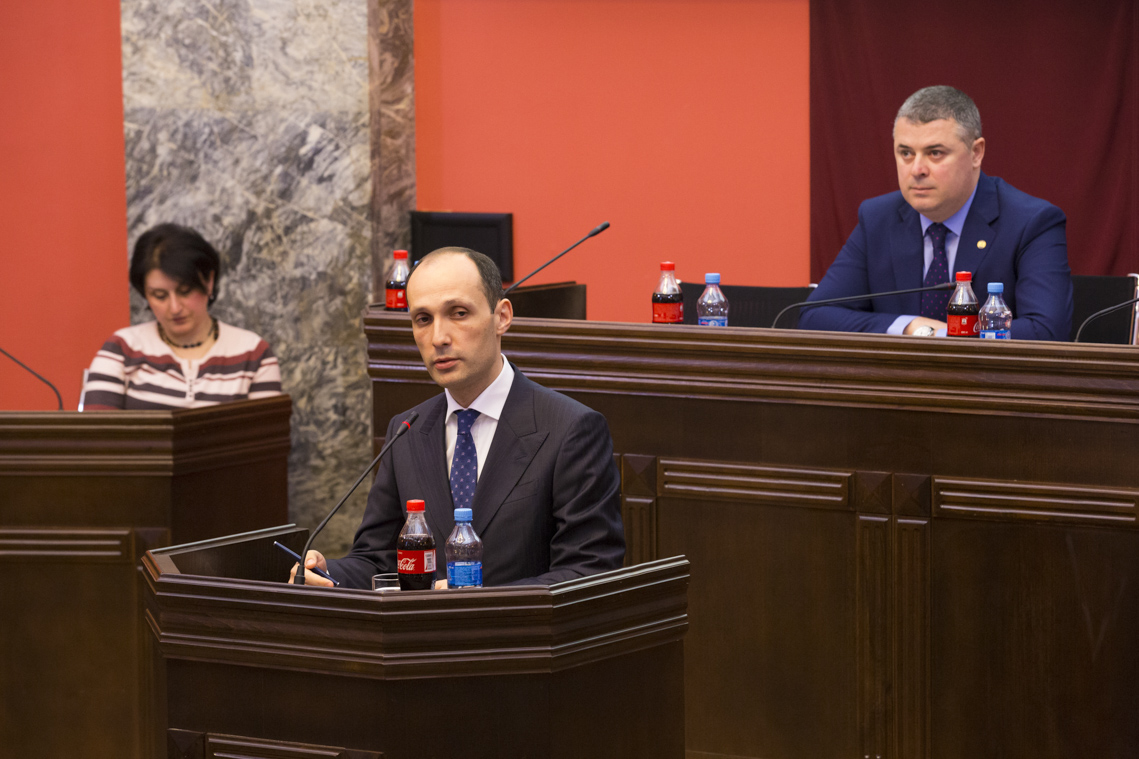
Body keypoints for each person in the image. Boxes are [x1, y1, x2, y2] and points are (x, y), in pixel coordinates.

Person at [291, 247, 625, 588]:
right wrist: (329, 576)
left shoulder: (570, 429)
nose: (438, 338)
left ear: (502, 317)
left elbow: (589, 571)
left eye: (459, 313)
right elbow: (380, 559)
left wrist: (476, 599)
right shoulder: (406, 431)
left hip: (515, 625)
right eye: (423, 319)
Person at [800, 86, 1073, 340]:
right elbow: (814, 316)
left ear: (976, 153)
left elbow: (1047, 331)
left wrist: (943, 337)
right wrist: (912, 326)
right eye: (906, 153)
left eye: (935, 153)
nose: (917, 169)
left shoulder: (1030, 223)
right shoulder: (878, 219)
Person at [82, 224, 282, 409]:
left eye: (185, 291)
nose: (175, 308)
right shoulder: (121, 350)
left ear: (209, 281)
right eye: (159, 296)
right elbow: (99, 433)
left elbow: (266, 434)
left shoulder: (253, 354)